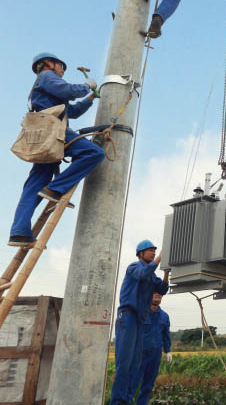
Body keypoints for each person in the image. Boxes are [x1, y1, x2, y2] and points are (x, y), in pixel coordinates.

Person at [9, 53, 104, 246]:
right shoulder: (46, 76)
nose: (62, 70)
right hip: (52, 130)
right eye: (60, 66)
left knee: (35, 183)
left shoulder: (48, 90)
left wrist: (91, 97)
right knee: (94, 153)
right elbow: (69, 90)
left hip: (41, 135)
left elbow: (73, 112)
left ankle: (19, 231)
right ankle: (55, 189)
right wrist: (87, 86)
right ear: (48, 64)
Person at [110, 240, 169, 405]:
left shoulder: (152, 275)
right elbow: (143, 274)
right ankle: (117, 402)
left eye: (154, 251)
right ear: (140, 253)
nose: (153, 253)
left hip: (140, 321)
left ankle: (127, 400)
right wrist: (159, 259)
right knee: (124, 362)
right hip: (128, 317)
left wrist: (166, 273)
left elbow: (162, 289)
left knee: (135, 365)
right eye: (150, 251)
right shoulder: (134, 267)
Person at [131, 292, 171, 405]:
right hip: (139, 354)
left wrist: (167, 351)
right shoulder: (141, 313)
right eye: (155, 293)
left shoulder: (164, 316)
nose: (157, 296)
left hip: (155, 355)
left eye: (160, 294)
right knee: (132, 383)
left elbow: (166, 335)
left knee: (148, 385)